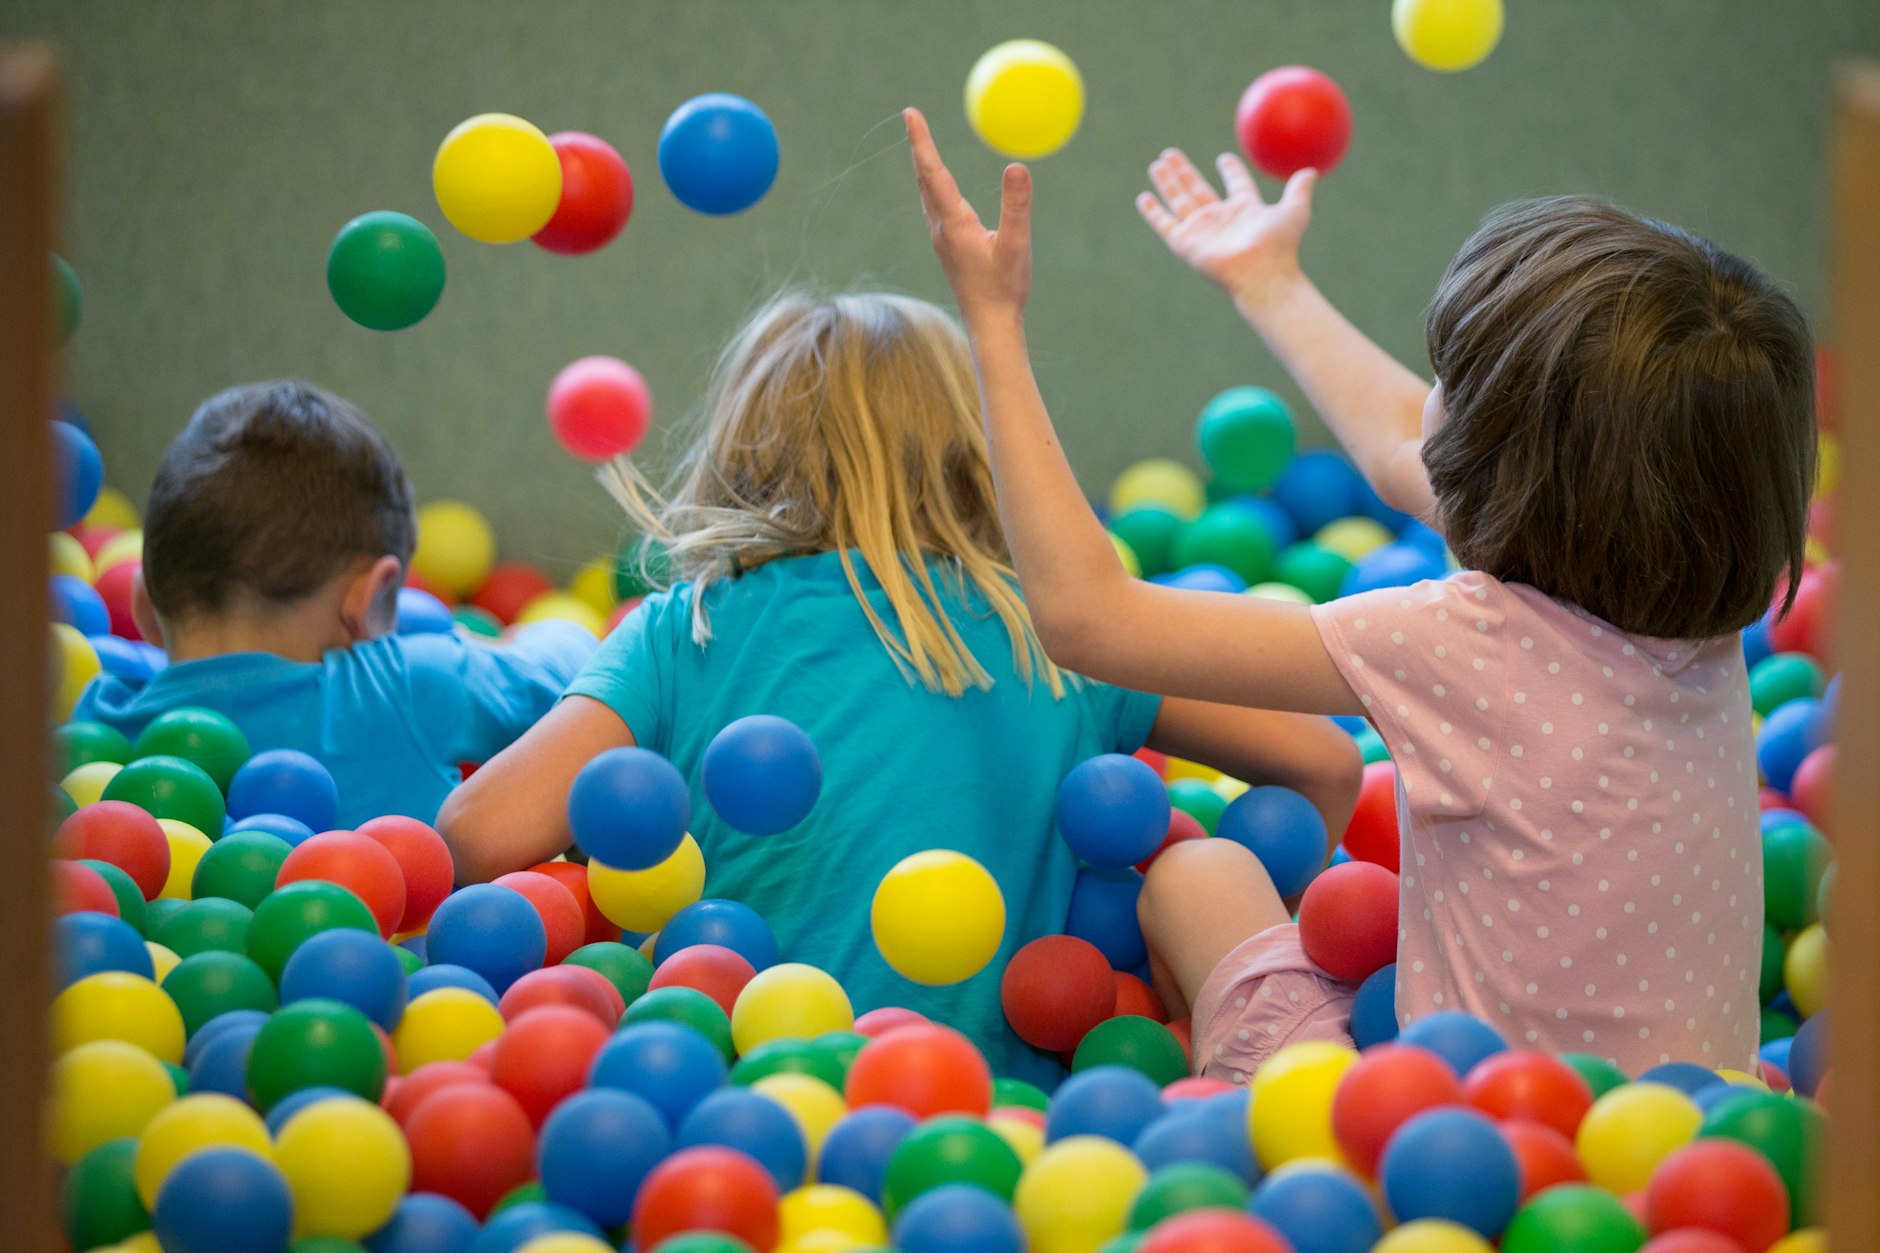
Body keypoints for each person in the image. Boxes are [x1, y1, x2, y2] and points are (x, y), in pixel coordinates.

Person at [903, 107, 1815, 1077]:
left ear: (1498, 466)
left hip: (1459, 1151)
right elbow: (1400, 446)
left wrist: (992, 326)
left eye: (1443, 383)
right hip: (1697, 1141)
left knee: (1198, 873)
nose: (1425, 407)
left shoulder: (1462, 640)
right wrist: (1265, 279)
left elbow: (1087, 619)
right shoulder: (1697, 599)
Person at [440, 290, 1360, 1081]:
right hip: (1010, 1124)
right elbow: (1323, 759)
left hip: (744, 1110)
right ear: (978, 449)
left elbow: (478, 836)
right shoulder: (1059, 630)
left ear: (746, 449)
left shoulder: (685, 629)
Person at [73, 380, 594, 829]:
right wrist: (504, 641)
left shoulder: (97, 723)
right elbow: (579, 668)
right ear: (368, 601)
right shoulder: (411, 683)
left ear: (144, 608)